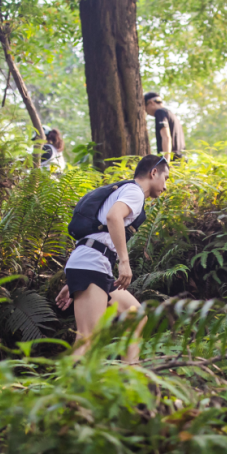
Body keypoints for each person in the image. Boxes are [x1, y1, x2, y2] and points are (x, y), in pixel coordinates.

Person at [55, 155, 171, 363]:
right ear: (154, 173)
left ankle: (130, 376)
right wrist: (124, 263)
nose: (165, 187)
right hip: (92, 264)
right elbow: (112, 217)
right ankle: (63, 393)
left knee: (136, 317)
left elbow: (96, 236)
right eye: (166, 178)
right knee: (88, 338)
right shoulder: (135, 192)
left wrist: (72, 281)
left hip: (94, 265)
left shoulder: (126, 190)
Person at [144, 92, 185, 159]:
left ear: (151, 102)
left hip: (172, 161)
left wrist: (166, 162)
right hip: (181, 160)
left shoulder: (159, 112)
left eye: (146, 109)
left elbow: (166, 137)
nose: (147, 113)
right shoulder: (172, 115)